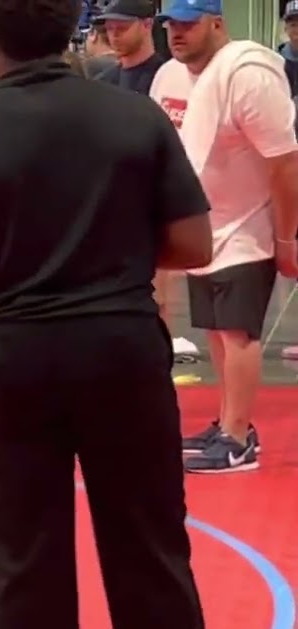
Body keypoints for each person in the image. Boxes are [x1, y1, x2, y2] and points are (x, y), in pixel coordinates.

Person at [0, 0, 222, 629]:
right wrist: (114, 251)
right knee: (151, 552)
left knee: (25, 564)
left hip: (15, 358)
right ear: (72, 29)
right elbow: (194, 245)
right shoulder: (135, 117)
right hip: (121, 350)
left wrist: (8, 250)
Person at [150, 0, 298, 473]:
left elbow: (285, 162)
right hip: (202, 226)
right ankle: (228, 423)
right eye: (171, 24)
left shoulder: (249, 73)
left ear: (217, 23)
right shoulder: (169, 77)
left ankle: (238, 440)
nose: (177, 33)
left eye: (188, 24)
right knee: (215, 329)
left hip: (249, 224)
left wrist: (287, 237)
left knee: (237, 332)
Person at [94, 0, 202, 361]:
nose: (114, 35)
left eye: (121, 27)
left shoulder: (171, 76)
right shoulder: (103, 83)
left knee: (157, 292)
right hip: (110, 196)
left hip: (155, 196)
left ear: (145, 25)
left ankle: (155, 359)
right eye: (109, 28)